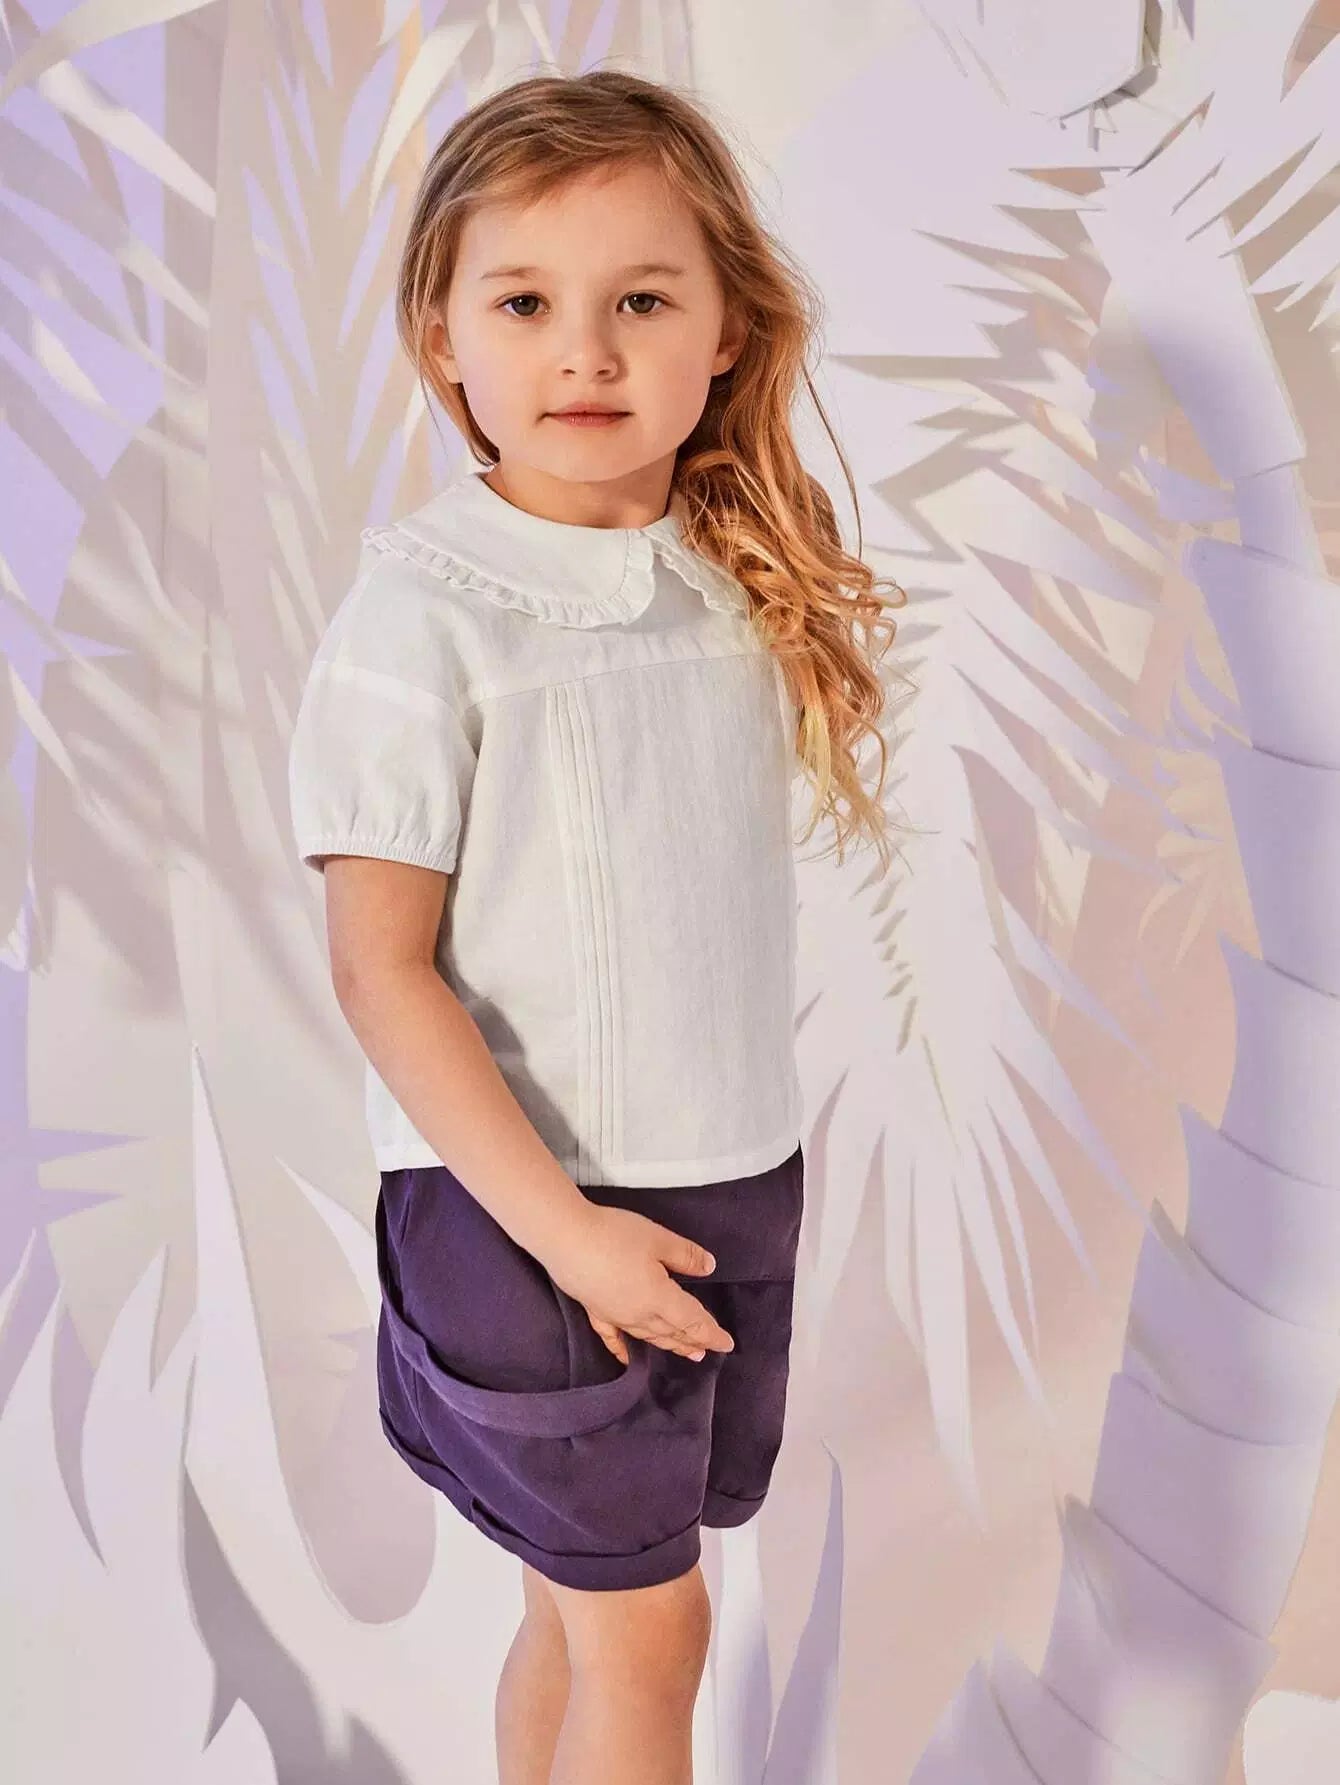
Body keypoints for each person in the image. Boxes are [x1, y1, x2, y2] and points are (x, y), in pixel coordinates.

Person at [287, 66, 905, 1785]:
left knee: (580, 1612)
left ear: (727, 329)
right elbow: (380, 970)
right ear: (441, 337)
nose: (585, 352)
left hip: (720, 1176)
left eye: (640, 300)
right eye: (524, 304)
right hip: (523, 1206)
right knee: (653, 1631)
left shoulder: (721, 583)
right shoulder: (424, 617)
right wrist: (566, 1234)